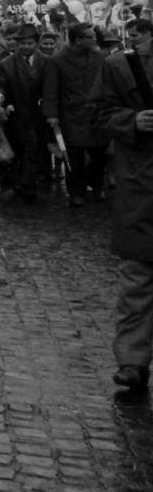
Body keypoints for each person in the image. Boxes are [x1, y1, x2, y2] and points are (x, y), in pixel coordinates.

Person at [87, 29, 153, 393]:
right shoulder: (120, 65)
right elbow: (96, 113)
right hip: (143, 187)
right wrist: (133, 122)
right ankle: (133, 360)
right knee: (137, 278)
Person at [44, 22, 109, 207]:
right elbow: (50, 90)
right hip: (70, 115)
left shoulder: (100, 56)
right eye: (91, 36)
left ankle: (97, 184)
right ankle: (76, 191)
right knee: (73, 157)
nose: (95, 39)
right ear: (78, 40)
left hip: (97, 114)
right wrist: (51, 114)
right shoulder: (56, 60)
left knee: (100, 155)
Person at [0, 23, 46, 204]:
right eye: (22, 43)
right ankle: (19, 180)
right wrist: (2, 96)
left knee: (34, 149)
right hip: (16, 114)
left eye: (29, 43)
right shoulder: (6, 64)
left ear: (36, 43)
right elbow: (2, 85)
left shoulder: (47, 61)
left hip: (38, 114)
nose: (26, 46)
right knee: (17, 150)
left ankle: (28, 185)